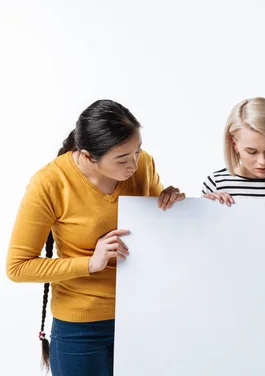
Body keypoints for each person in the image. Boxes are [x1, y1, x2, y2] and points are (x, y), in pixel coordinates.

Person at [6, 100, 185, 376]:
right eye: (122, 158)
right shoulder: (50, 182)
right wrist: (90, 262)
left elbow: (155, 231)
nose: (134, 164)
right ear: (89, 156)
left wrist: (170, 202)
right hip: (80, 328)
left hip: (142, 315)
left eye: (137, 151)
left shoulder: (143, 165)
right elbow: (17, 267)